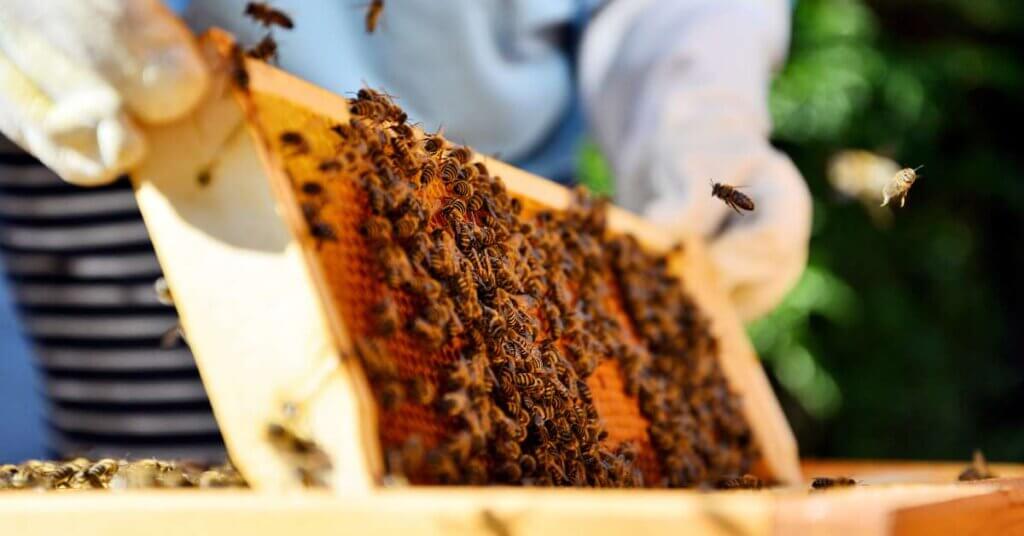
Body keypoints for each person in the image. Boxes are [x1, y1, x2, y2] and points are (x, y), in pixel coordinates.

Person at [0, 0, 811, 461]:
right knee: (147, 484)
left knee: (524, 451)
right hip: (128, 157)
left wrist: (694, 99)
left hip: (493, 231)